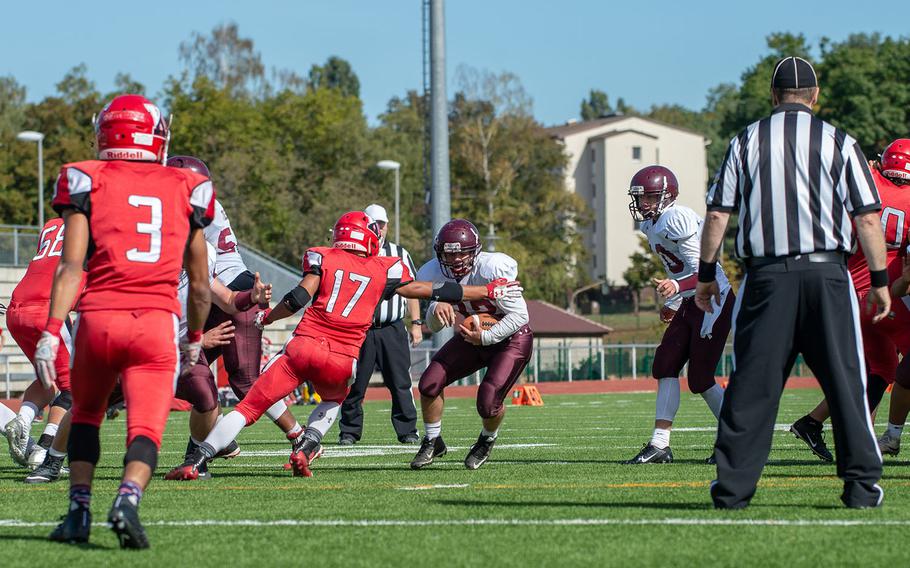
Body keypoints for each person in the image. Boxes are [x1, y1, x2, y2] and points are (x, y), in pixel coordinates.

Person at [167, 211, 522, 480]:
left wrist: (270, 317)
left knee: (246, 408)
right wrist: (486, 292)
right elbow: (435, 290)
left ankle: (198, 461)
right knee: (334, 401)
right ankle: (307, 445)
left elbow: (297, 297)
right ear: (369, 239)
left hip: (303, 347)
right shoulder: (386, 268)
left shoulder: (323, 259)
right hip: (342, 358)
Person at [698, 57, 888, 509]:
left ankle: (733, 490)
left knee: (752, 386)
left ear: (773, 95)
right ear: (815, 96)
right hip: (828, 276)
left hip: (767, 278)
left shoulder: (745, 141)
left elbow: (718, 213)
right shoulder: (841, 143)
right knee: (846, 382)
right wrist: (880, 281)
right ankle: (861, 488)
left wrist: (706, 275)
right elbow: (867, 218)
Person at [34, 94, 216, 548]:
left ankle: (78, 510)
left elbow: (70, 266)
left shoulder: (85, 178)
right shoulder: (186, 185)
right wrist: (194, 337)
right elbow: (200, 283)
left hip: (98, 319)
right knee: (145, 428)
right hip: (155, 324)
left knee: (88, 417)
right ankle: (127, 499)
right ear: (155, 136)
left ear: (105, 133)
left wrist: (51, 331)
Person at [165, 156, 302, 470]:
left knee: (243, 380)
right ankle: (216, 441)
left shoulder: (189, 211)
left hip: (229, 290)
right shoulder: (199, 206)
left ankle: (299, 435)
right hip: (221, 291)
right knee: (194, 365)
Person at [788, 139, 910, 461]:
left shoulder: (864, 184)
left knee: (880, 369)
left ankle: (814, 423)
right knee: (904, 366)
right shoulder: (906, 198)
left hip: (849, 292)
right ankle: (866, 434)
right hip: (886, 294)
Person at [621, 166, 733, 465]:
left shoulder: (677, 217)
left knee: (699, 378)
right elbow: (678, 268)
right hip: (689, 299)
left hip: (713, 298)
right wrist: (674, 300)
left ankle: (736, 440)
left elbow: (703, 271)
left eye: (649, 197)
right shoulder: (652, 225)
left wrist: (676, 286)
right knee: (665, 363)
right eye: (640, 198)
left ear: (667, 196)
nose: (643, 204)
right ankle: (660, 445)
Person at [410, 219, 533, 471]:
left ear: (475, 251)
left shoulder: (492, 267)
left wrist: (486, 337)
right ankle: (433, 441)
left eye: (462, 253)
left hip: (511, 337)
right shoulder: (431, 272)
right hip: (473, 334)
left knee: (487, 402)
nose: (455, 260)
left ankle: (487, 440)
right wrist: (435, 305)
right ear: (439, 253)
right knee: (429, 383)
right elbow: (433, 326)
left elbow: (521, 315)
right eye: (449, 254)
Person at [163, 243, 273, 480]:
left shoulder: (202, 267)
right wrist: (200, 340)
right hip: (151, 351)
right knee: (91, 401)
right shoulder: (155, 278)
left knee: (206, 394)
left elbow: (230, 299)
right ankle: (60, 453)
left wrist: (251, 297)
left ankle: (196, 458)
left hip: (184, 351)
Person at [4, 217, 85, 469]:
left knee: (48, 379)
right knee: (75, 387)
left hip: (16, 308)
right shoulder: (95, 221)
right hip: (48, 306)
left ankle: (24, 419)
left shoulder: (52, 224)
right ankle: (45, 448)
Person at [338, 203, 421, 445]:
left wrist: (416, 323)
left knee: (400, 382)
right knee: (354, 382)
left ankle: (407, 430)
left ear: (387, 226)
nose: (379, 229)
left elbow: (412, 289)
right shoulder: (351, 252)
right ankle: (349, 432)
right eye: (374, 224)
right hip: (359, 328)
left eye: (382, 224)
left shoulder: (399, 253)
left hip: (391, 327)